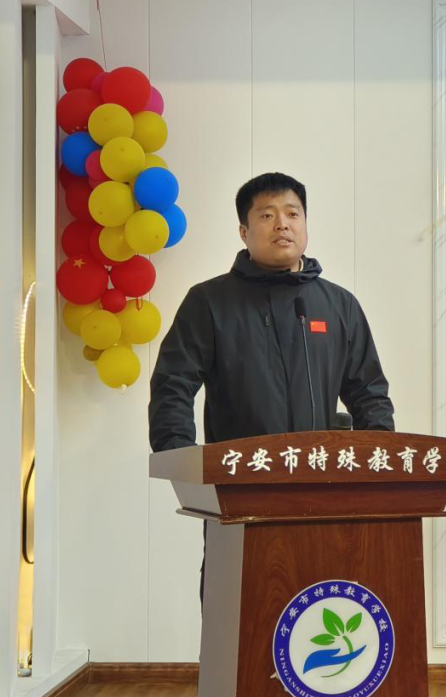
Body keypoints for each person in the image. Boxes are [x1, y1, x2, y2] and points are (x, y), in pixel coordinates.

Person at [148, 172, 395, 597]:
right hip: (240, 492)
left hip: (325, 493)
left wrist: (377, 464)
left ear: (305, 224)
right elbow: (173, 384)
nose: (282, 223)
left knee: (319, 607)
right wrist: (182, 460)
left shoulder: (339, 305)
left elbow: (368, 392)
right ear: (244, 232)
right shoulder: (209, 302)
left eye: (292, 213)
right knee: (237, 608)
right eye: (266, 215)